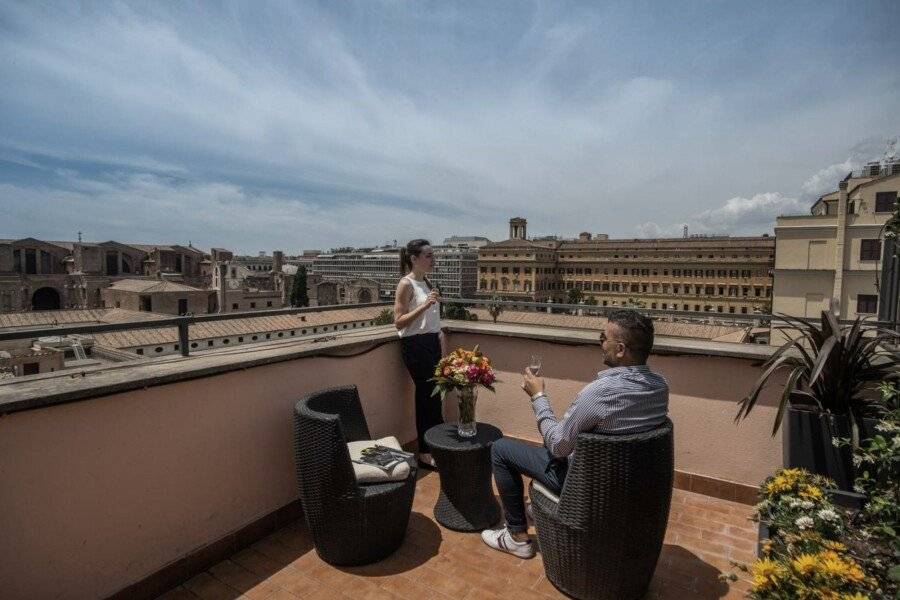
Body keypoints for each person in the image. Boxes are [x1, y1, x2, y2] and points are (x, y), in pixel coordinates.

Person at [481, 309, 669, 558]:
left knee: (501, 449)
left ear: (621, 349)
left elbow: (558, 445)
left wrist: (538, 396)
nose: (601, 343)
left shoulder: (600, 393)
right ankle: (532, 511)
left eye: (604, 337)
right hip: (627, 487)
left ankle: (516, 536)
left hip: (584, 485)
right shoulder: (660, 387)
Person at [394, 239, 446, 468]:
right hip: (415, 345)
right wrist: (424, 306)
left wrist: (439, 339)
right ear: (414, 259)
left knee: (435, 395)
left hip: (431, 343)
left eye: (433, 255)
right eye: (428, 256)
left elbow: (430, 322)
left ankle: (437, 444)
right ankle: (425, 452)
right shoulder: (405, 284)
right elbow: (398, 322)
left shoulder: (426, 281)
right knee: (426, 396)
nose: (433, 260)